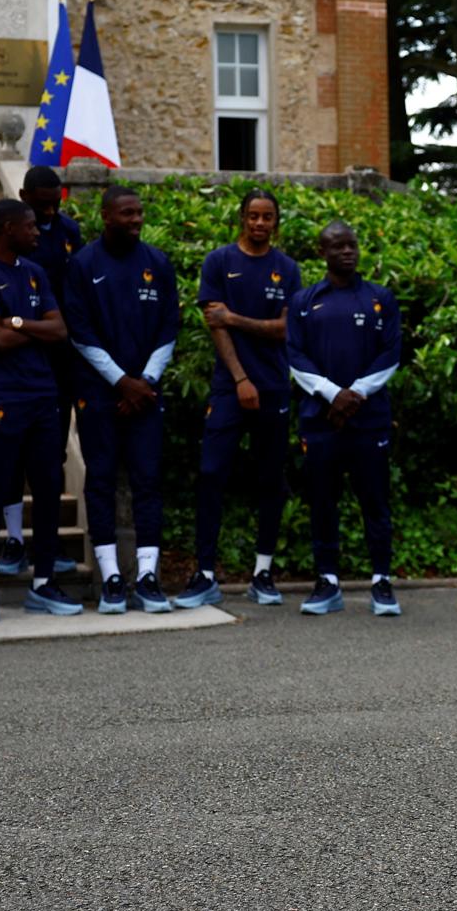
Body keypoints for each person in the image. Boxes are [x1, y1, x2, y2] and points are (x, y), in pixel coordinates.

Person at [177, 188, 301, 609]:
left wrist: (235, 317)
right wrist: (241, 378)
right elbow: (216, 326)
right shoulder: (220, 262)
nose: (260, 223)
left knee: (270, 480)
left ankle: (262, 573)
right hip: (231, 387)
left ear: (275, 222)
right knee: (212, 473)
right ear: (242, 219)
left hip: (274, 389)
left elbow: (284, 330)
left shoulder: (288, 269)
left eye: (267, 217)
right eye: (253, 216)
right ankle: (205, 573)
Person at [63, 185, 180, 614]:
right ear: (106, 216)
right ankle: (111, 577)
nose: (136, 220)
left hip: (146, 395)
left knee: (148, 481)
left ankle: (147, 578)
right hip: (99, 394)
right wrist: (120, 382)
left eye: (139, 213)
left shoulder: (158, 263)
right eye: (127, 213)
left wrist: (144, 381)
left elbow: (170, 326)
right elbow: (80, 332)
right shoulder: (82, 264)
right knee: (100, 480)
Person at [0, 199, 79, 619]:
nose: (36, 233)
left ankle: (44, 582)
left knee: (47, 487)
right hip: (2, 397)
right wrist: (31, 329)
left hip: (43, 395)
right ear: (7, 228)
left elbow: (59, 329)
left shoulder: (35, 273)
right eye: (29, 226)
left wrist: (15, 322)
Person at [287, 220, 404, 617]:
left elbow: (391, 354)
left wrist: (356, 394)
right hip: (320, 421)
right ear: (322, 252)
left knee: (375, 502)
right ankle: (327, 581)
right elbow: (295, 357)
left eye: (352, 245)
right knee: (323, 502)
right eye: (337, 246)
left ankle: (381, 581)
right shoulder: (304, 300)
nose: (347, 252)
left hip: (369, 421)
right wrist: (332, 394)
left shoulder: (379, 298)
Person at [0, 165, 83, 577]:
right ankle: (15, 542)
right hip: (10, 368)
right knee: (10, 465)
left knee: (49, 459)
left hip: (55, 361)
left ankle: (48, 545)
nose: (47, 218)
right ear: (23, 197)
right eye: (41, 208)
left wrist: (25, 325)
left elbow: (65, 308)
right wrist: (26, 326)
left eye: (55, 206)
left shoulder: (69, 232)